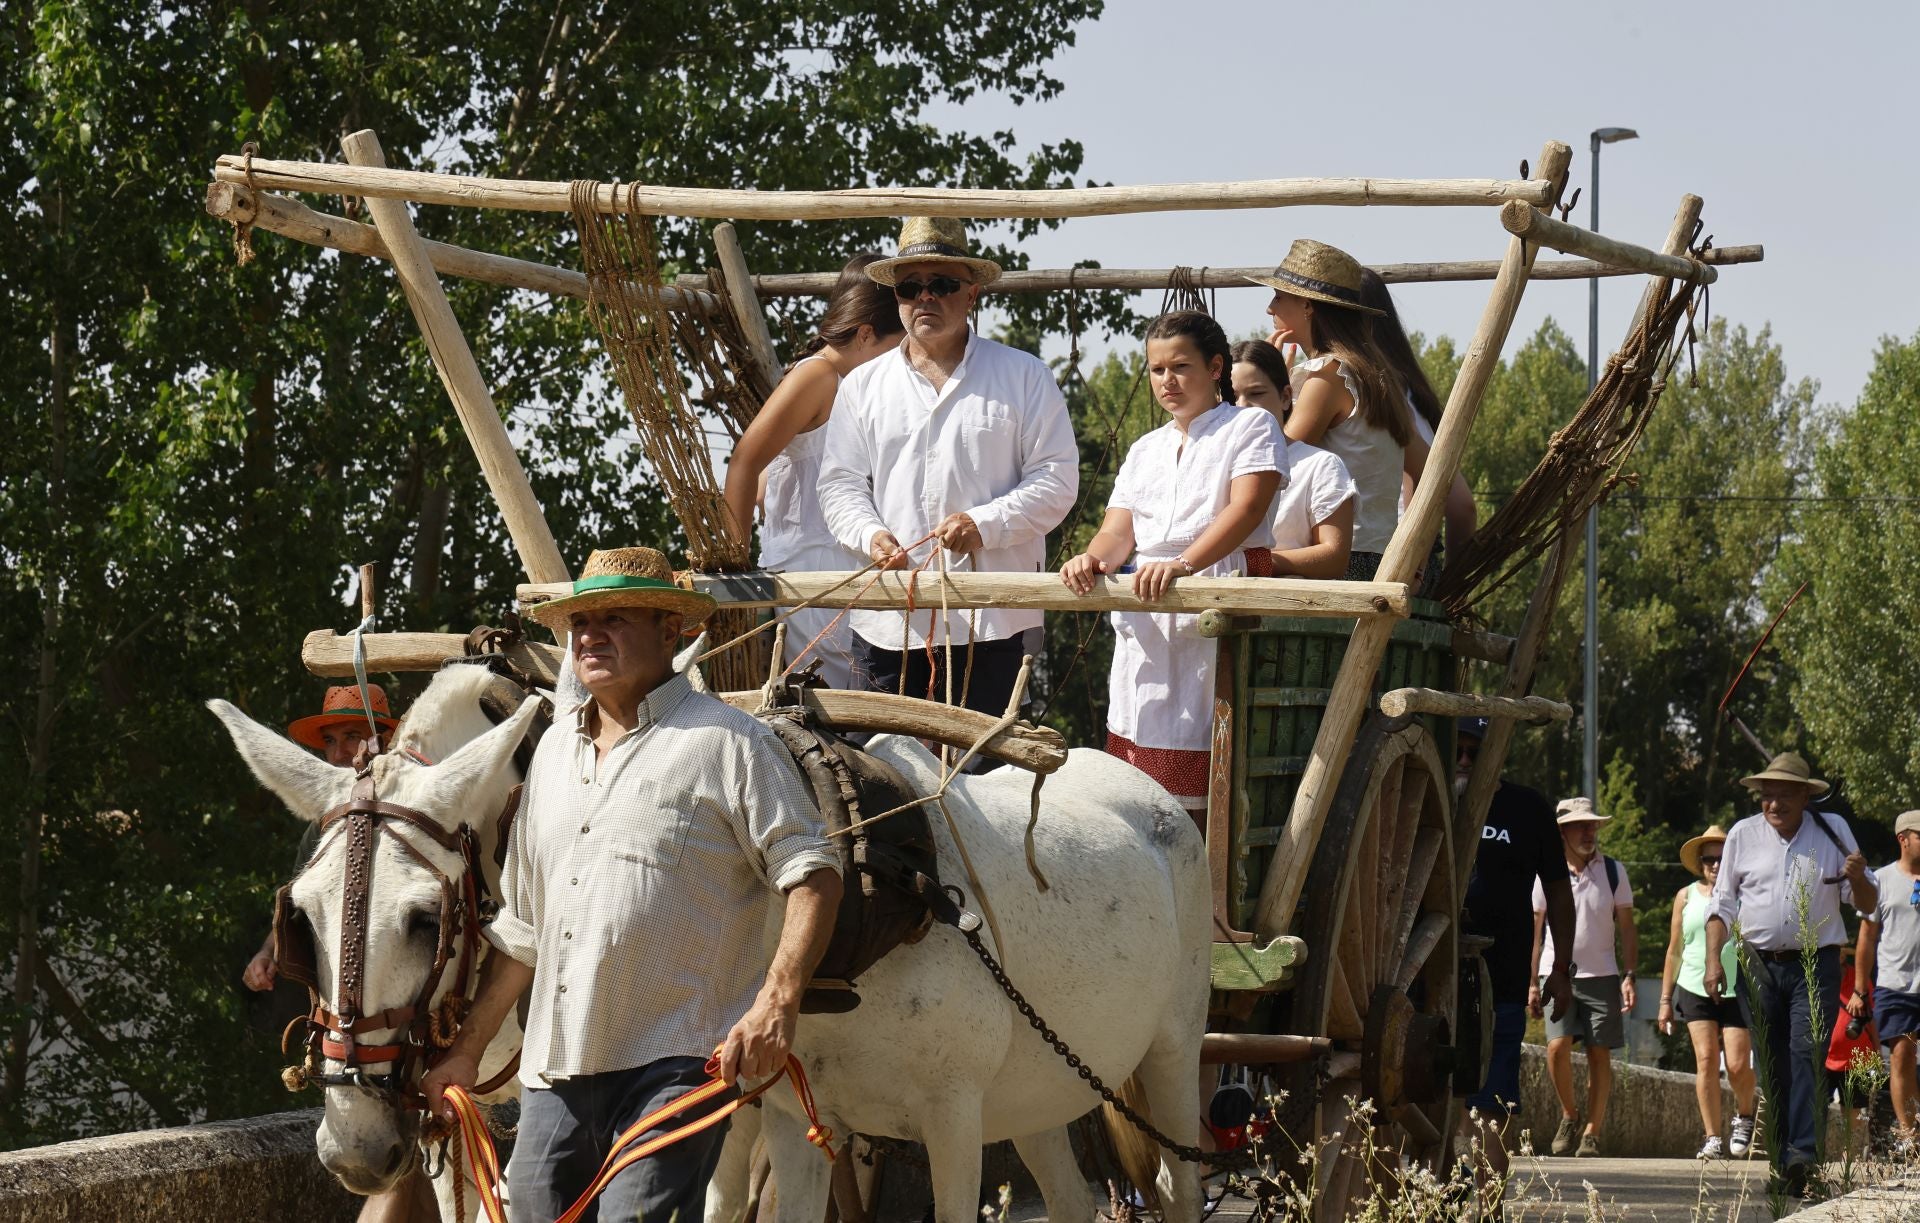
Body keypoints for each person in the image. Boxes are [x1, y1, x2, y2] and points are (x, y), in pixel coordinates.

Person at [420, 547, 843, 1223]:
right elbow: (523, 931)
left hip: (677, 1063)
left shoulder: (730, 742)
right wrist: (466, 1050)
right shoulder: (554, 751)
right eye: (580, 621)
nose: (590, 634)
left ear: (669, 630)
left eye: (614, 617)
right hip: (556, 1069)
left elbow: (812, 871)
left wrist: (777, 999)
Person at [818, 217, 1078, 717]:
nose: (925, 298)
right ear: (896, 298)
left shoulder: (1025, 376)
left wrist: (984, 525)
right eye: (911, 287)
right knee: (883, 780)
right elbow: (840, 484)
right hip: (888, 621)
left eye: (942, 285)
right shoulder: (861, 386)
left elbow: (1057, 479)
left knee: (988, 782)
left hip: (994, 622)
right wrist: (870, 535)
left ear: (972, 293)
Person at [1060, 312, 1284, 814]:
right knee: (1133, 785)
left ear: (1215, 367)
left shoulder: (1250, 425)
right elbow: (1119, 530)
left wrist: (1183, 563)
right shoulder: (1146, 448)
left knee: (1202, 789)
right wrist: (1092, 560)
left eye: (1180, 366)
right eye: (1157, 370)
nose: (1167, 381)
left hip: (1217, 599)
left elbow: (1247, 509)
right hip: (1147, 607)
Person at [723, 253, 904, 689]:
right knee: (843, 701)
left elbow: (777, 478)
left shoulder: (849, 387)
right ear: (865, 334)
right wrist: (732, 565)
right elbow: (746, 461)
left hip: (843, 563)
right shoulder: (818, 376)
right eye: (895, 346)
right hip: (816, 569)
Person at [1705, 751, 1878, 1196]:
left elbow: (1865, 903)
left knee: (1808, 1051)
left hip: (1814, 962)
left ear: (1806, 797)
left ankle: (1804, 1154)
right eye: (1767, 796)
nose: (1774, 805)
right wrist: (1712, 960)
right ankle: (1784, 1162)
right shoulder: (1743, 835)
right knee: (1773, 1063)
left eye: (1784, 796)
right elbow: (1721, 904)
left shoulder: (1832, 831)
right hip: (1755, 962)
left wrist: (1857, 877)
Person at [1455, 717, 1574, 1203]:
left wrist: (1561, 970)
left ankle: (1487, 1208)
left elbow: (1560, 895)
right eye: (1456, 751)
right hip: (1425, 976)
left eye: (1474, 753)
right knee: (1433, 1093)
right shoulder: (1426, 794)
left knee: (1493, 1100)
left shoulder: (1528, 809)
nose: (1464, 761)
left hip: (1501, 980)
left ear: (1494, 756)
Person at [1246, 239, 1410, 580]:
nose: (1269, 308)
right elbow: (1424, 467)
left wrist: (1270, 385)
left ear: (1307, 306)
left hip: (1335, 560)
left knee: (1233, 566)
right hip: (1378, 557)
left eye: (1278, 296)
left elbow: (1270, 458)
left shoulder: (1325, 376)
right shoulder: (1375, 374)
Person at [241, 683, 400, 993]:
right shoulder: (322, 827)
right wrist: (267, 953)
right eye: (330, 741)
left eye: (352, 736)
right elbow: (294, 900)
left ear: (387, 740)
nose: (338, 754)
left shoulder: (421, 809)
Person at [1530, 797, 1635, 1157]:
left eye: (1592, 825)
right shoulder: (1547, 873)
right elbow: (1536, 930)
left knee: (1598, 1053)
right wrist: (1531, 982)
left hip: (1603, 975)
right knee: (1557, 1047)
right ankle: (1569, 1114)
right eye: (1580, 825)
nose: (1589, 832)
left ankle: (1592, 1131)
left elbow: (1627, 929)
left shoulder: (1614, 872)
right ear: (1563, 832)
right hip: (1554, 973)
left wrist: (1630, 975)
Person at [1357, 270, 1477, 581]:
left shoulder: (1372, 389)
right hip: (1407, 552)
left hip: (1384, 555)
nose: (1270, 310)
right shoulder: (1409, 390)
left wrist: (1413, 556)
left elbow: (1423, 479)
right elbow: (1462, 506)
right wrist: (1451, 589)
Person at [1658, 824, 1758, 1159]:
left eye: (1721, 857)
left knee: (1737, 1065)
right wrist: (1664, 1001)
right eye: (1708, 859)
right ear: (1700, 863)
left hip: (1737, 986)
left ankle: (1745, 1115)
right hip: (1693, 984)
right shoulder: (1685, 896)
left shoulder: (1746, 894)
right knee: (1704, 1060)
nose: (1715, 864)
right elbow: (1674, 949)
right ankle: (1713, 1137)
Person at [1230, 339, 1355, 579]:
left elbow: (1334, 557)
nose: (1242, 406)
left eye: (1256, 394)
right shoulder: (1209, 462)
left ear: (1286, 396)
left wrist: (1253, 564)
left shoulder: (1319, 465)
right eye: (1232, 396)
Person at [1852, 807, 1920, 1143]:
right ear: (1903, 839)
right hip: (1895, 984)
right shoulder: (1880, 880)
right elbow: (1866, 936)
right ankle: (1911, 1138)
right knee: (1901, 1055)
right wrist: (1858, 988)